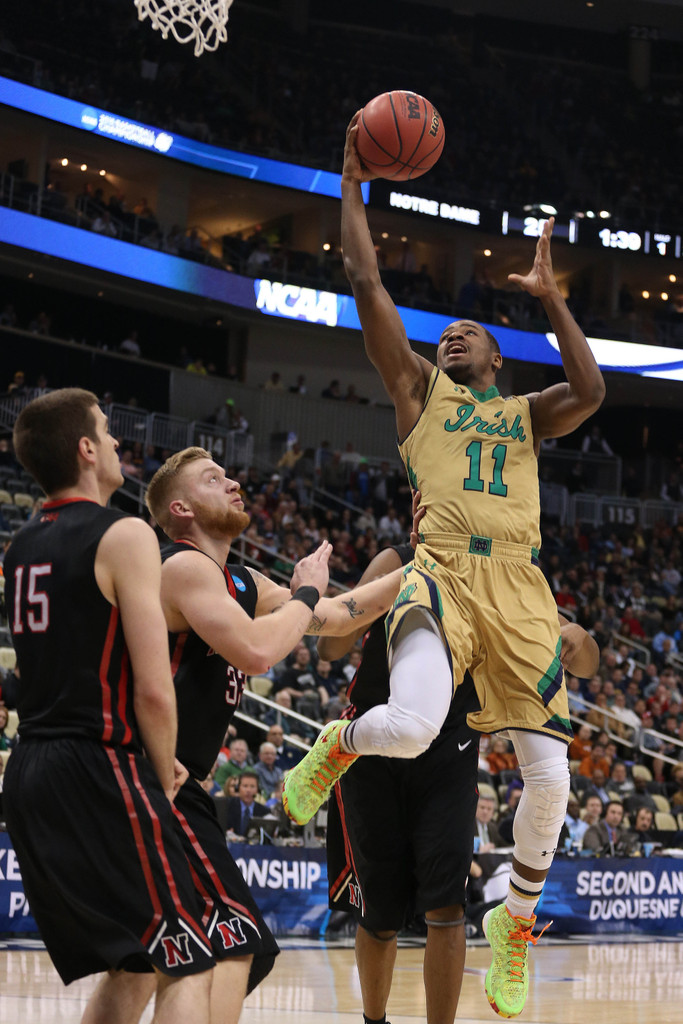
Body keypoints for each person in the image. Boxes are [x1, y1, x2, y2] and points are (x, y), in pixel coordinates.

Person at [283, 114, 606, 1020]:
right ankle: (337, 743)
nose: (454, 334)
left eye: (472, 332)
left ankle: (515, 921)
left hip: (521, 584)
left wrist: (549, 295)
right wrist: (351, 182)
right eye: (447, 332)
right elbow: (362, 275)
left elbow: (589, 392)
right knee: (416, 726)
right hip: (441, 572)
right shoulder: (417, 394)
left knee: (550, 779)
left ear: (497, 361)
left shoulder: (524, 414)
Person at [143, 446, 404, 1024]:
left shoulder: (242, 582)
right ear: (181, 507)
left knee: (144, 972)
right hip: (153, 778)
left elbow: (334, 618)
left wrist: (414, 574)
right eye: (214, 479)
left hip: (177, 785)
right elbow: (261, 651)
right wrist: (308, 593)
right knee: (236, 940)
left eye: (229, 473)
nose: (234, 481)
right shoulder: (181, 565)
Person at [318, 536, 598, 1024]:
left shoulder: (503, 576)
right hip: (376, 742)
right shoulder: (397, 560)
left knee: (447, 908)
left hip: (452, 746)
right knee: (378, 915)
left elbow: (588, 662)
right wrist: (377, 594)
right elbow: (330, 646)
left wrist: (574, 631)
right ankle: (372, 1021)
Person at [2, 389, 214, 1024]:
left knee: (137, 961)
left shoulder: (19, 547)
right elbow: (153, 686)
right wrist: (166, 765)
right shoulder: (124, 533)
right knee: (188, 952)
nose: (121, 443)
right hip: (96, 763)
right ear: (87, 450)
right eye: (107, 432)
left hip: (29, 770)